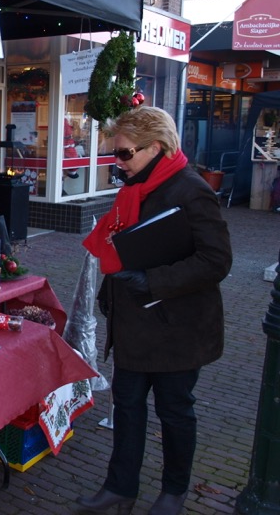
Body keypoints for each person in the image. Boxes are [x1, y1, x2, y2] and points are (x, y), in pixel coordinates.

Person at [79, 106, 232, 515]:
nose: (118, 161)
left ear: (157, 148)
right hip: (133, 326)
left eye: (126, 153)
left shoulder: (191, 189)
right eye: (117, 153)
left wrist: (155, 282)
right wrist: (109, 297)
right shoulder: (134, 189)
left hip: (176, 329)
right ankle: (120, 487)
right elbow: (125, 250)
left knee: (174, 411)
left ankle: (173, 492)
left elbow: (217, 261)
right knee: (126, 408)